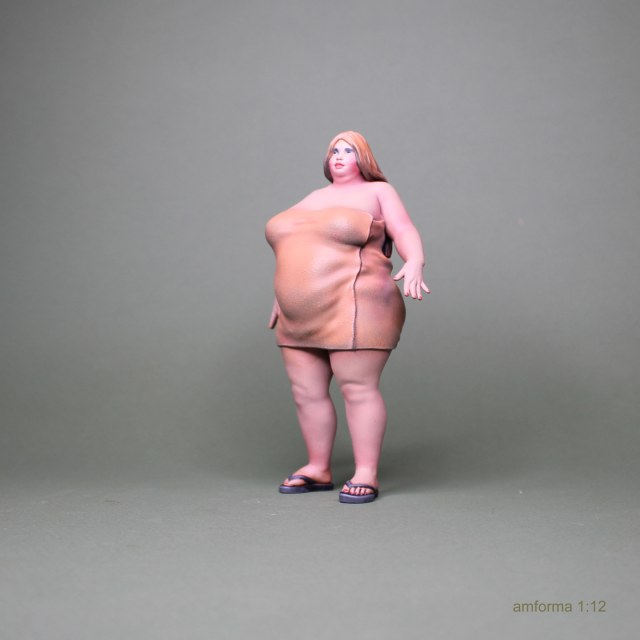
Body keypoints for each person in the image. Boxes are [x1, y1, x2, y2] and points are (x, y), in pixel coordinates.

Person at [265, 131, 429, 503]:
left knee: (357, 387)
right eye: (333, 150)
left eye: (348, 150)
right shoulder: (313, 197)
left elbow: (403, 228)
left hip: (357, 303)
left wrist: (415, 260)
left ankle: (366, 472)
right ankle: (317, 466)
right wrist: (284, 294)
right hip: (296, 314)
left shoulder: (378, 191)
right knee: (306, 392)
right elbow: (297, 248)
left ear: (363, 158)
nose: (338, 156)